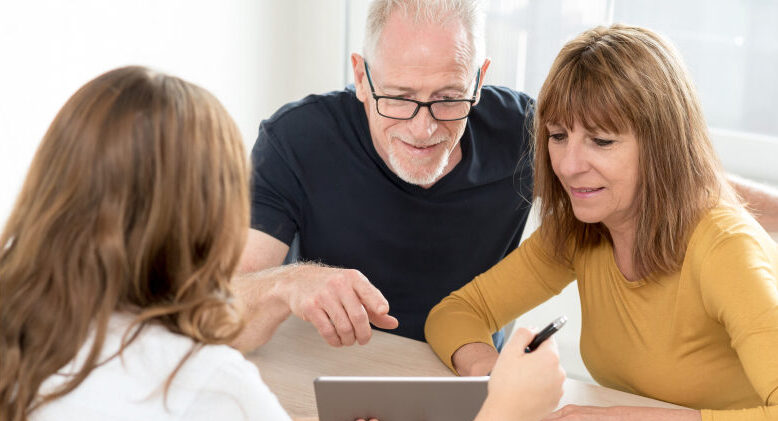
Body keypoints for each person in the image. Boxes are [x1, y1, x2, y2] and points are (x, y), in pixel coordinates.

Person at [0, 65, 568, 421]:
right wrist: (505, 414)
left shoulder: (26, 330)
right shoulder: (200, 384)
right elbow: (208, 418)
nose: (422, 124)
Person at [235, 0, 778, 353]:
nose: (424, 128)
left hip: (459, 376)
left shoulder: (526, 131)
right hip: (320, 369)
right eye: (399, 99)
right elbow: (217, 316)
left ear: (481, 78)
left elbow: (671, 175)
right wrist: (289, 280)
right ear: (361, 75)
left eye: (449, 98)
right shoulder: (297, 140)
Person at [425, 24, 778, 421]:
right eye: (558, 136)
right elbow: (456, 313)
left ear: (662, 146)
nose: (569, 166)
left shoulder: (726, 249)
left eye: (602, 140)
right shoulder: (581, 229)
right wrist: (495, 377)